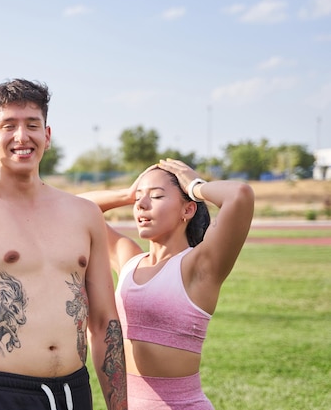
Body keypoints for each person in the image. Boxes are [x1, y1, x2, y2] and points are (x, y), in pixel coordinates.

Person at [0, 79, 127, 410]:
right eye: (9, 126)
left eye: (32, 125)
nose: (22, 136)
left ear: (47, 135)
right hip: (0, 393)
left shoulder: (85, 214)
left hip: (74, 391)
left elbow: (105, 322)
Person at [77, 159, 255, 409]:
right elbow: (78, 208)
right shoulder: (129, 258)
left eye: (157, 196)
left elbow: (240, 195)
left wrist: (194, 184)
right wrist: (128, 193)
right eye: (139, 198)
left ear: (188, 210)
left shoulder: (199, 266)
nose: (142, 204)